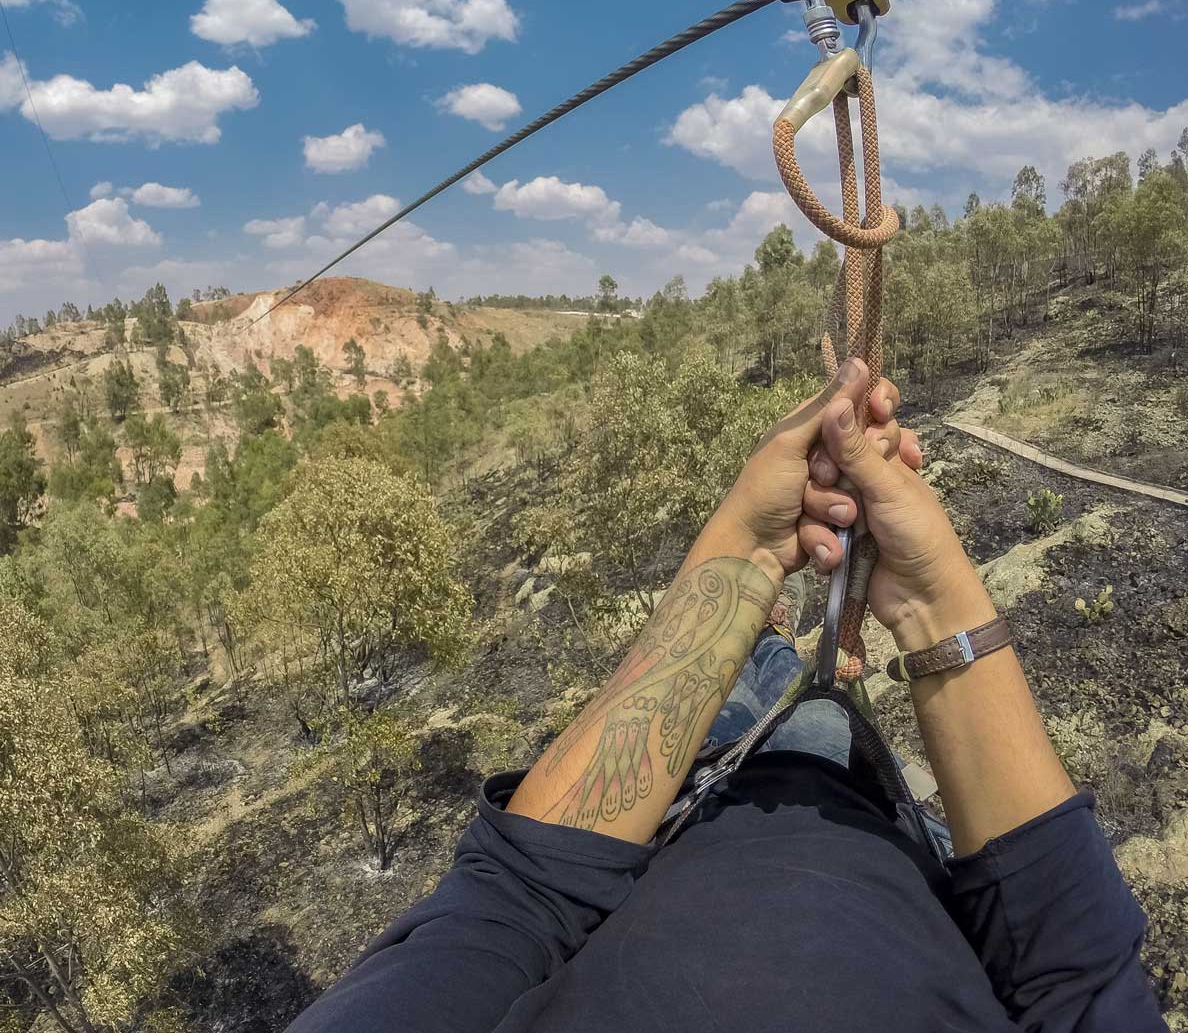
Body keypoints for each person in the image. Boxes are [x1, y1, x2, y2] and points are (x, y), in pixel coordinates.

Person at [286, 358, 1163, 1033]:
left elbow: (513, 903)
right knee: (820, 716)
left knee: (768, 694)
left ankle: (776, 658)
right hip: (885, 835)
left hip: (688, 825)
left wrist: (745, 555)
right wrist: (933, 604)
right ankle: (798, 671)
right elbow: (1079, 978)